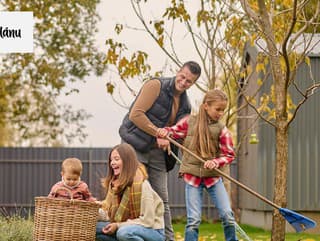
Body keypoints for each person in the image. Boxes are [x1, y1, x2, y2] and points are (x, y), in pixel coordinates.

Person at [119, 61, 201, 241]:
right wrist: (158, 132)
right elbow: (136, 114)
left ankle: (168, 238)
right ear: (178, 71)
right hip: (135, 146)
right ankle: (121, 234)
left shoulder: (186, 106)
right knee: (132, 193)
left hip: (157, 153)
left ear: (193, 84)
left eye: (189, 81)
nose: (183, 82)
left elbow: (180, 134)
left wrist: (171, 141)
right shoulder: (155, 85)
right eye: (182, 77)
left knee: (161, 197)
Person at [159, 89, 238, 241]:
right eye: (218, 109)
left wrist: (215, 162)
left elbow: (229, 154)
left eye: (223, 110)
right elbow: (173, 132)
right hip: (193, 178)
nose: (220, 113)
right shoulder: (189, 122)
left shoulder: (222, 130)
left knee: (228, 216)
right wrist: (165, 132)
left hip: (213, 178)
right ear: (206, 106)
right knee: (193, 221)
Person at [96, 143, 165, 241]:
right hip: (126, 226)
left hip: (153, 231)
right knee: (92, 227)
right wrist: (93, 210)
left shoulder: (143, 185)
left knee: (124, 233)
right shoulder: (115, 185)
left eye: (116, 159)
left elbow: (147, 221)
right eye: (111, 160)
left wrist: (118, 225)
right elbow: (108, 213)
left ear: (127, 162)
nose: (112, 163)